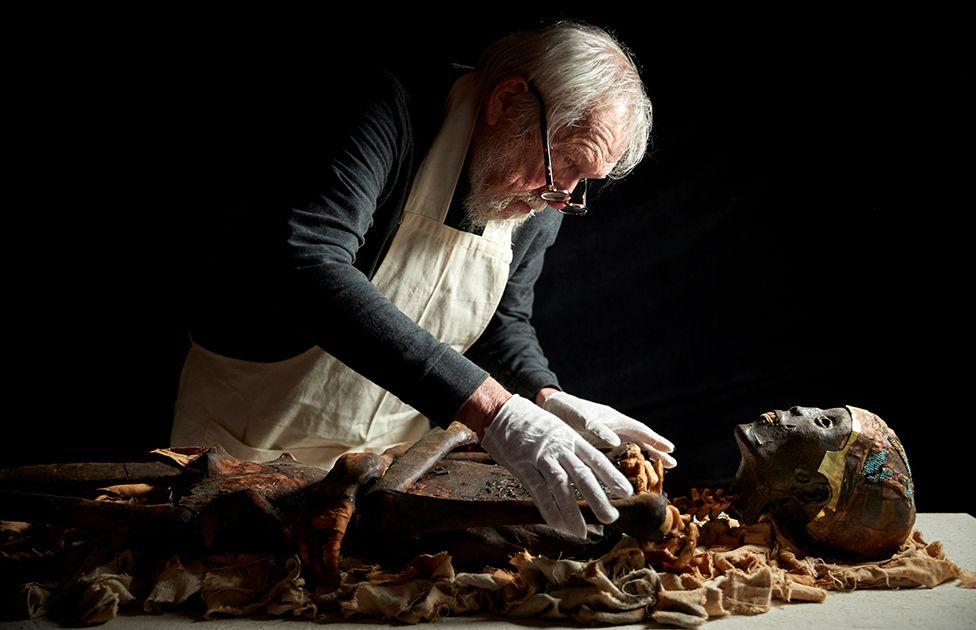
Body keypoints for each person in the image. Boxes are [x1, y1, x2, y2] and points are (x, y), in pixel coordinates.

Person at [171, 21, 676, 541]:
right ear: (507, 101)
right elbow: (309, 263)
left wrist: (545, 396)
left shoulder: (542, 195)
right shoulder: (389, 111)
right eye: (566, 160)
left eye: (583, 180)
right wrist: (494, 410)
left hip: (388, 471)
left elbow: (502, 324)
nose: (562, 195)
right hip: (250, 444)